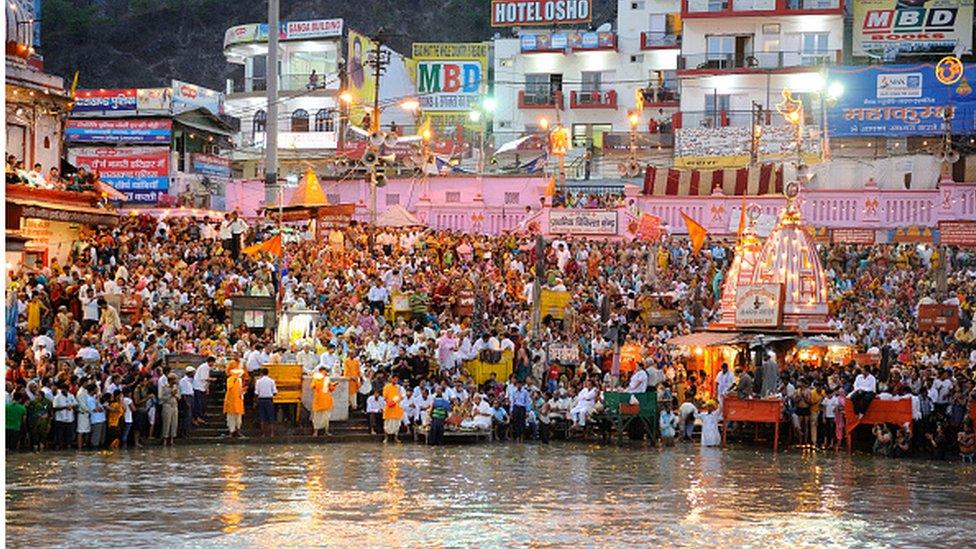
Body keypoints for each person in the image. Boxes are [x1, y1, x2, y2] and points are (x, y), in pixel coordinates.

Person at [310, 365, 335, 437]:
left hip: (326, 399)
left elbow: (330, 388)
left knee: (326, 417)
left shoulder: (327, 379)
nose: (326, 372)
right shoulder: (316, 378)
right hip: (319, 399)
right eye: (325, 371)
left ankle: (326, 431)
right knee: (317, 417)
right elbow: (312, 386)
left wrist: (333, 385)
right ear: (321, 371)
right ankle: (316, 432)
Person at [223, 365, 245, 438]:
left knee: (238, 418)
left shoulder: (239, 380)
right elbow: (229, 387)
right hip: (231, 401)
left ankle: (238, 430)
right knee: (231, 418)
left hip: (238, 402)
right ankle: (232, 431)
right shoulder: (230, 379)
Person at [255, 368, 278, 437]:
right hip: (269, 400)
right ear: (268, 373)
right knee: (271, 417)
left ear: (261, 373)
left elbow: (256, 393)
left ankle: (263, 434)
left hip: (261, 400)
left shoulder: (258, 381)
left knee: (262, 417)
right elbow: (275, 392)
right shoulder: (271, 381)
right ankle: (272, 433)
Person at [382, 375, 404, 443]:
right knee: (387, 424)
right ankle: (386, 438)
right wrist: (390, 402)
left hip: (396, 407)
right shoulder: (387, 387)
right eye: (394, 379)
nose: (395, 380)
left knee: (397, 425)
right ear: (391, 379)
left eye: (396, 379)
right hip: (389, 407)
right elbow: (385, 397)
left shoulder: (399, 387)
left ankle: (396, 437)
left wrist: (396, 400)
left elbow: (401, 396)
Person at [192, 356, 214, 426]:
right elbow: (203, 378)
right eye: (213, 362)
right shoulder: (204, 367)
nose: (213, 364)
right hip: (198, 387)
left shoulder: (206, 367)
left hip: (201, 387)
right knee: (198, 403)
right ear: (210, 362)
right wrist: (212, 379)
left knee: (201, 403)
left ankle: (199, 417)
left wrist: (207, 388)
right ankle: (195, 418)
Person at [160, 373, 179, 446]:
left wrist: (175, 395)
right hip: (167, 405)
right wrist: (171, 394)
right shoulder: (164, 387)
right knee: (166, 422)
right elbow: (162, 398)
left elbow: (178, 397)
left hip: (174, 405)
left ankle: (172, 439)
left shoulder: (176, 387)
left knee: (174, 423)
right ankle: (164, 439)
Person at [178, 367, 195, 437]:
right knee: (186, 416)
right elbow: (183, 393)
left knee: (189, 416)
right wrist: (186, 403)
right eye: (193, 373)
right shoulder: (183, 381)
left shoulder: (190, 380)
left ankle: (187, 431)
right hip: (186, 398)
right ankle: (184, 432)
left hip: (190, 397)